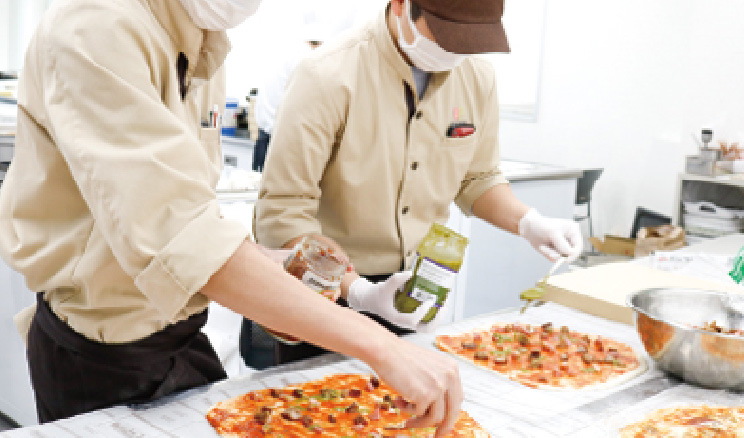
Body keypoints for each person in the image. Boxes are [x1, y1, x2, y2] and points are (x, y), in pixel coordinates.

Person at [0, 0, 464, 433]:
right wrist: (379, 343)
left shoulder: (200, 39)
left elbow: (191, 217)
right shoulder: (98, 23)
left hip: (176, 335)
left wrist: (310, 277)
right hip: (102, 355)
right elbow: (180, 237)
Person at [253, 0, 583, 364]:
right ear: (400, 5)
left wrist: (529, 222)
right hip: (325, 288)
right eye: (446, 33)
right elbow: (283, 212)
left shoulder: (477, 77)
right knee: (324, 397)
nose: (456, 49)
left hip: (416, 288)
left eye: (469, 40)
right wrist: (358, 292)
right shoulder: (327, 74)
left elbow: (477, 178)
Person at [252, 21, 325, 171]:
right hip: (280, 139)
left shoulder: (287, 50)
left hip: (265, 134)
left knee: (260, 181)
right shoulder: (306, 58)